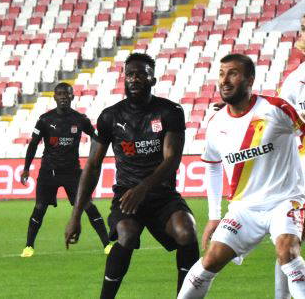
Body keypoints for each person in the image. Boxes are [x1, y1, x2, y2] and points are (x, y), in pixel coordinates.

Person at [64, 52, 198, 298]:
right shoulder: (110, 116)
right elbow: (92, 166)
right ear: (124, 79)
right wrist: (76, 216)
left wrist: (143, 188)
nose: (134, 79)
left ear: (152, 80)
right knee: (126, 233)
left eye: (141, 74)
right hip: (126, 196)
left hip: (162, 195)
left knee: (186, 230)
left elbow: (172, 160)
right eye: (130, 74)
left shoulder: (170, 111)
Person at [177, 54, 305, 298]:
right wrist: (214, 216)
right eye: (222, 74)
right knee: (209, 262)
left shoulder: (276, 109)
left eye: (233, 73)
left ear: (250, 80)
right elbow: (213, 166)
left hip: (285, 201)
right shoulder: (216, 123)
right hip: (244, 209)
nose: (225, 80)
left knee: (287, 252)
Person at [19, 82, 109, 258]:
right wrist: (26, 168)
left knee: (88, 205)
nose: (63, 97)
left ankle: (107, 245)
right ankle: (29, 246)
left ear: (72, 97)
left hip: (72, 172)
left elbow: (96, 137)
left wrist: (95, 158)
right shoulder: (45, 120)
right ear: (54, 97)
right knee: (39, 208)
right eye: (59, 94)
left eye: (66, 94)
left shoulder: (80, 119)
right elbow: (33, 144)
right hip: (48, 172)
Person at [276, 14, 305, 299]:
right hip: (302, 176)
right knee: (288, 242)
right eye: (304, 28)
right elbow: (277, 122)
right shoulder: (295, 81)